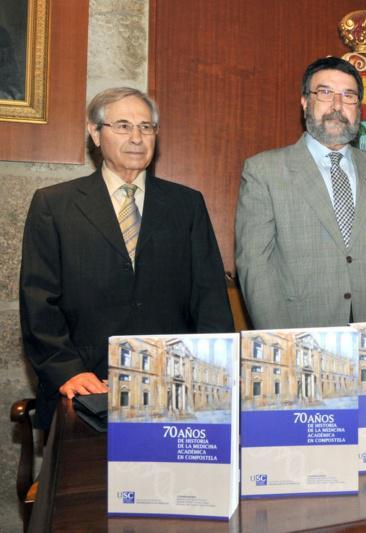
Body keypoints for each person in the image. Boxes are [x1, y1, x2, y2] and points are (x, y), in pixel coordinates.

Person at [19, 87, 233, 430]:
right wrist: (68, 371)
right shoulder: (54, 205)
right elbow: (38, 301)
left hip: (175, 391)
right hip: (88, 390)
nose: (137, 137)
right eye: (122, 126)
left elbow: (210, 300)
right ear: (95, 133)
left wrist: (208, 373)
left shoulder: (187, 205)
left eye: (146, 127)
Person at [235, 56, 366, 329]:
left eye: (348, 95)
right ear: (305, 102)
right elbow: (256, 266)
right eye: (325, 93)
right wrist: (281, 344)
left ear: (358, 107)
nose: (337, 106)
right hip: (300, 336)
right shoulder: (264, 171)